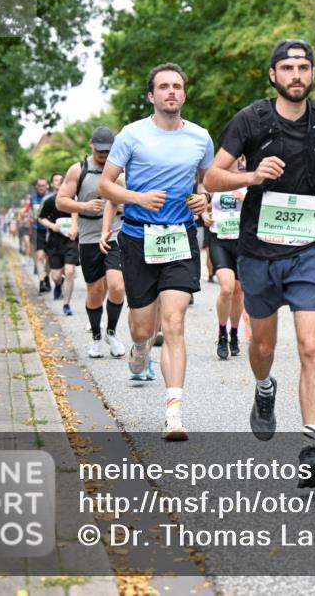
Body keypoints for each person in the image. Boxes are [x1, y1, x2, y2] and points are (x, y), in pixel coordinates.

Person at [204, 39, 315, 487]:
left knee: (310, 346)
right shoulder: (251, 119)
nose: (296, 75)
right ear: (273, 75)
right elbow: (212, 177)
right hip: (259, 251)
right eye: (287, 68)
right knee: (263, 348)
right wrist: (251, 175)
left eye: (303, 67)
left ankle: (311, 446)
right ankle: (264, 389)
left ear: (312, 73)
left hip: (309, 249)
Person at [98, 62, 214, 441]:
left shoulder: (200, 138)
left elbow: (208, 182)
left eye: (177, 86)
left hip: (180, 237)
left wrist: (204, 199)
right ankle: (138, 349)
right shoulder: (131, 135)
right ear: (151, 95)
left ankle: (174, 414)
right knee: (143, 328)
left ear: (184, 94)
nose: (171, 92)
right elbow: (105, 185)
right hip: (137, 238)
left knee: (174, 323)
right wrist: (137, 198)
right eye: (163, 86)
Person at [57, 126, 128, 360]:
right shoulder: (78, 170)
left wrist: (125, 205)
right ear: (91, 145)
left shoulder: (120, 171)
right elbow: (61, 201)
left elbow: (133, 198)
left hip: (115, 233)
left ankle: (112, 332)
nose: (104, 155)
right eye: (100, 151)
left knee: (117, 286)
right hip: (88, 237)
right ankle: (96, 336)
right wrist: (83, 206)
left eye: (108, 151)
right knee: (95, 291)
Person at [206, 164, 247, 360]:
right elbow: (202, 200)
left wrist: (246, 199)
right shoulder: (214, 178)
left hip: (242, 242)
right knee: (226, 288)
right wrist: (203, 215)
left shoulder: (250, 178)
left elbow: (264, 208)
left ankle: (234, 333)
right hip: (219, 240)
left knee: (238, 293)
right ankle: (222, 334)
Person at [38, 173, 79, 315]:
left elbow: (78, 214)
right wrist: (51, 226)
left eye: (61, 181)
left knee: (69, 271)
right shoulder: (50, 201)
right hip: (55, 241)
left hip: (70, 240)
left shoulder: (73, 200)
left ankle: (66, 304)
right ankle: (58, 284)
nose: (59, 184)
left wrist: (75, 226)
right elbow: (41, 217)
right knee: (56, 276)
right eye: (56, 181)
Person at [32, 178, 51, 291]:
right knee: (39, 256)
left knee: (48, 258)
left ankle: (46, 276)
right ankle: (41, 281)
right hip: (38, 230)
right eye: (39, 185)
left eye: (43, 185)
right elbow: (31, 212)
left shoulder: (51, 197)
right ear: (36, 186)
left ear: (47, 186)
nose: (41, 187)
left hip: (50, 231)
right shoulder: (33, 198)